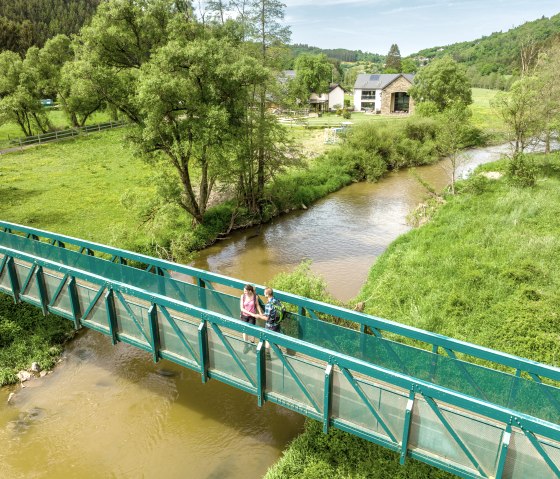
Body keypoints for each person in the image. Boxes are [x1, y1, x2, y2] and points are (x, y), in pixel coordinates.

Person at [255, 287, 282, 353]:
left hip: (270, 325)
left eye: (264, 293)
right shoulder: (276, 300)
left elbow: (267, 318)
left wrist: (259, 316)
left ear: (267, 294)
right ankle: (279, 352)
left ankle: (267, 354)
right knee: (276, 337)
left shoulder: (268, 304)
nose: (264, 294)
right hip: (277, 323)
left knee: (267, 339)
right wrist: (263, 314)